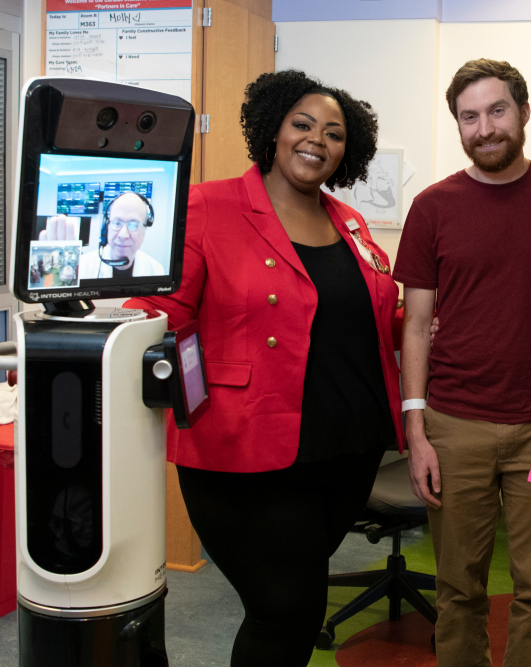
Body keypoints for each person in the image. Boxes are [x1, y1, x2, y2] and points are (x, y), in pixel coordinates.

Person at [124, 69, 402, 667]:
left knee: (294, 608)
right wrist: (93, 334)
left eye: (333, 133)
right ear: (272, 130)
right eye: (302, 124)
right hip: (245, 452)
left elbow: (380, 318)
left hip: (347, 450)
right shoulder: (207, 207)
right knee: (286, 609)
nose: (315, 141)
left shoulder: (348, 223)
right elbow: (158, 312)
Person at [394, 58, 531, 667]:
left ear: (525, 113)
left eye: (497, 110)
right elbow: (416, 323)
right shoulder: (433, 208)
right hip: (455, 424)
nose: (485, 127)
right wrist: (416, 425)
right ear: (459, 125)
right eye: (469, 116)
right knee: (459, 587)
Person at [78, 192, 166, 278]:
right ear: (107, 227)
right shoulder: (82, 267)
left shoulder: (156, 270)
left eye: (134, 225)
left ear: (144, 232)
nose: (123, 235)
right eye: (117, 223)